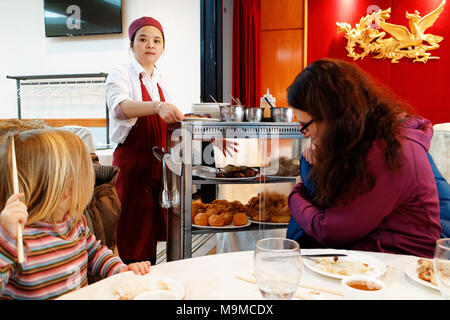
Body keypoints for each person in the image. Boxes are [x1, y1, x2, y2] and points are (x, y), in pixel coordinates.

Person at [286, 58, 441, 258]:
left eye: (305, 125)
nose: (304, 133)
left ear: (331, 117)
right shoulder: (371, 135)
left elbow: (328, 230)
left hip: (400, 263)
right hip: (370, 250)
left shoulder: (391, 153)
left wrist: (296, 193)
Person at [0, 129, 150, 300]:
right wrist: (5, 240)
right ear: (61, 188)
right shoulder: (16, 238)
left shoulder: (74, 222)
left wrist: (119, 269)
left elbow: (95, 253)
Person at [105, 16, 185, 265]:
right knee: (133, 231)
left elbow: (173, 120)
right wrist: (157, 106)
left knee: (155, 232)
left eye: (156, 40)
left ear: (162, 48)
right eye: (143, 39)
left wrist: (209, 137)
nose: (150, 44)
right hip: (133, 165)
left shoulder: (161, 79)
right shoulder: (120, 73)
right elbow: (120, 109)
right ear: (132, 45)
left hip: (159, 168)